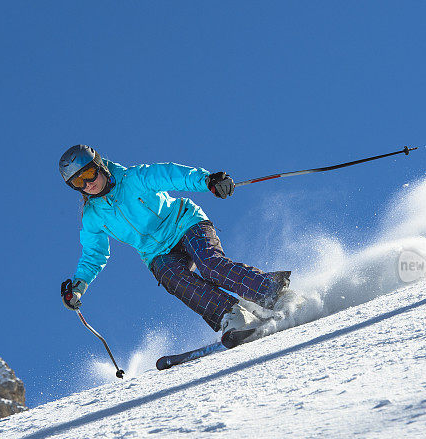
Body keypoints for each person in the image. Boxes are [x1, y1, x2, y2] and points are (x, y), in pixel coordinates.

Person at [59, 145, 296, 347]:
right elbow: (94, 254)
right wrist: (78, 287)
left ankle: (274, 292)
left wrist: (208, 181)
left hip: (184, 223)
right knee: (175, 280)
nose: (87, 183)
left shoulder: (134, 178)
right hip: (157, 253)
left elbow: (172, 175)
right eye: (77, 181)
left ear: (99, 165)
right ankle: (234, 314)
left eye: (89, 173)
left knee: (211, 266)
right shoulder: (92, 216)